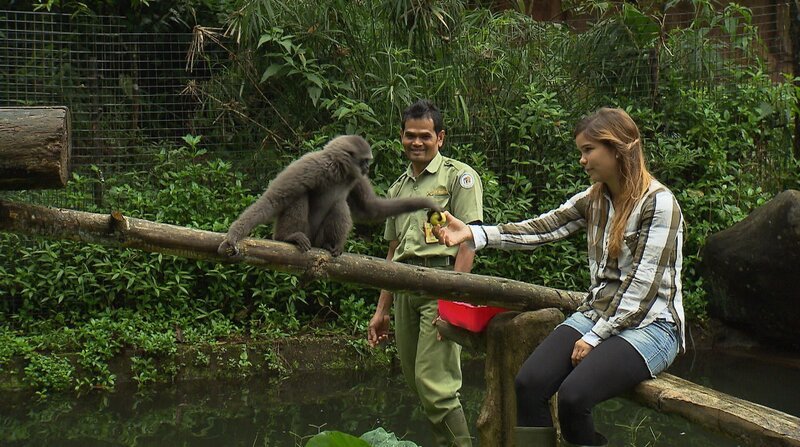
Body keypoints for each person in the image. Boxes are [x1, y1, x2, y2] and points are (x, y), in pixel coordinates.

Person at [434, 107, 684, 447]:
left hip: (651, 326)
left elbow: (640, 289)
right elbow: (541, 229)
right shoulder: (595, 199)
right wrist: (474, 234)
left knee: (574, 397)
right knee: (529, 384)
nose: (582, 160)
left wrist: (595, 338)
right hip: (598, 313)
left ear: (616, 148)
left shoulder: (660, 204)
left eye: (587, 150)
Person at [367, 99, 484, 447]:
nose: (416, 142)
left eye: (425, 136)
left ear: (440, 138)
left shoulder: (457, 177)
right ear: (401, 137)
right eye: (409, 136)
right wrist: (381, 309)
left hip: (441, 287)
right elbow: (393, 250)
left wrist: (453, 299)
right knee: (418, 383)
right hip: (404, 289)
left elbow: (470, 241)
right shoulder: (398, 189)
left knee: (437, 386)